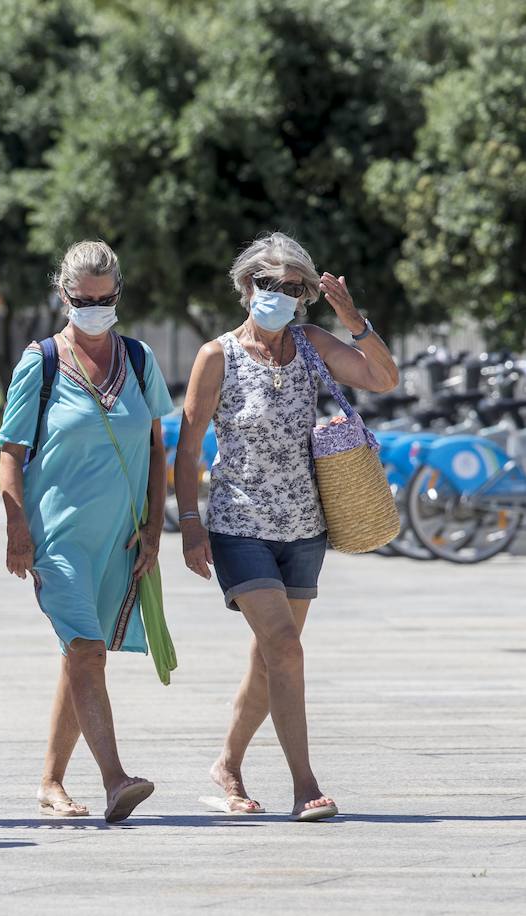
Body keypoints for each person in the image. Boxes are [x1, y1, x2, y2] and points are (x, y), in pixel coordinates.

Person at [176, 231, 398, 821]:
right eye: (268, 284)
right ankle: (305, 784)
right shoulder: (216, 355)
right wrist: (190, 525)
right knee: (284, 646)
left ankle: (227, 762)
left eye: (293, 287)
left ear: (305, 296)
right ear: (246, 286)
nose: (279, 294)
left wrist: (353, 318)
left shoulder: (313, 341)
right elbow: (189, 446)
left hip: (305, 526)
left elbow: (383, 379)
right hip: (237, 523)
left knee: (270, 654)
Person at [0, 240, 171, 824]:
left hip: (118, 540)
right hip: (57, 538)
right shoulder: (39, 362)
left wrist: (154, 529)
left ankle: (50, 781)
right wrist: (16, 528)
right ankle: (116, 780)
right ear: (63, 295)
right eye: (83, 299)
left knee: (82, 655)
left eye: (105, 298)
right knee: (89, 651)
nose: (95, 307)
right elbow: (11, 454)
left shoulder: (140, 359)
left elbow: (155, 446)